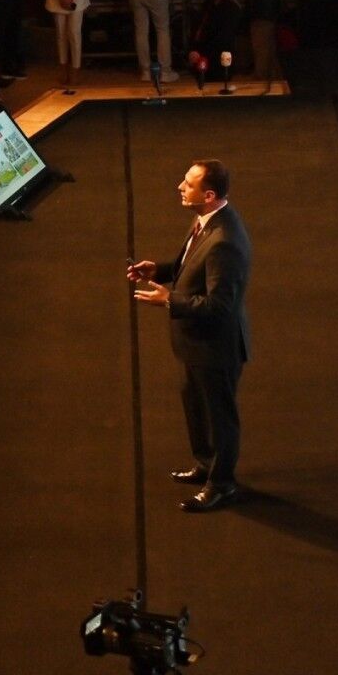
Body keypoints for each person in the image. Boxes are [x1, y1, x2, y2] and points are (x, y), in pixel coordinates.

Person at [129, 159, 250, 510]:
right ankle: (206, 464)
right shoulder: (205, 221)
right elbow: (189, 266)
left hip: (216, 349)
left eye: (188, 184)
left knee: (220, 417)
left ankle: (222, 483)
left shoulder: (225, 241)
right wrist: (163, 270)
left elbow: (219, 306)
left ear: (209, 195)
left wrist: (170, 299)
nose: (180, 187)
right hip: (196, 347)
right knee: (195, 405)